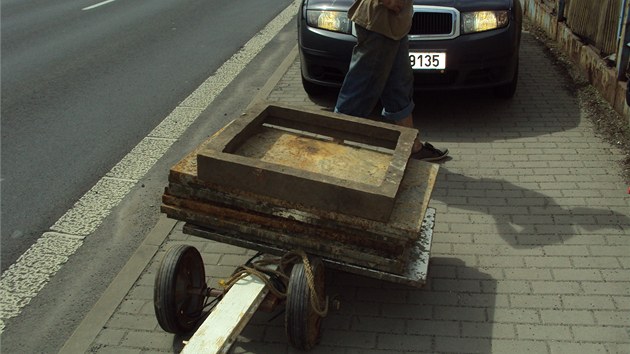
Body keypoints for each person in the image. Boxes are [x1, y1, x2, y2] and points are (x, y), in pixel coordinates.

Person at [335, 0, 449, 161]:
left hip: (395, 27)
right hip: (380, 26)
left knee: (399, 86)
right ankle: (334, 143)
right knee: (360, 89)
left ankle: (412, 147)